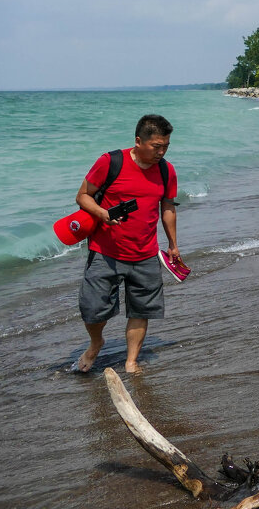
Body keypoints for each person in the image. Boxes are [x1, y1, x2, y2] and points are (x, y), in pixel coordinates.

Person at [72, 114, 180, 374]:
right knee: (93, 309)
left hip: (145, 253)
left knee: (141, 309)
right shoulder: (110, 162)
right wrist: (103, 214)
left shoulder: (167, 170)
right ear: (138, 141)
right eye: (156, 146)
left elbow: (167, 208)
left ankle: (131, 361)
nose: (161, 152)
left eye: (166, 146)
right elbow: (82, 196)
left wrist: (173, 245)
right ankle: (96, 342)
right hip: (105, 251)